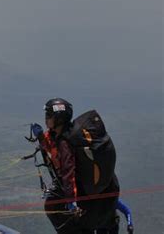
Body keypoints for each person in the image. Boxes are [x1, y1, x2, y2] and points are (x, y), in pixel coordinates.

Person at [31, 98, 119, 234]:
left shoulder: (66, 142)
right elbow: (52, 148)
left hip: (86, 198)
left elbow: (68, 173)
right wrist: (41, 138)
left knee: (53, 207)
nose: (45, 119)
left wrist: (71, 201)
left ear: (59, 119)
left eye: (48, 116)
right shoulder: (65, 135)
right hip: (108, 191)